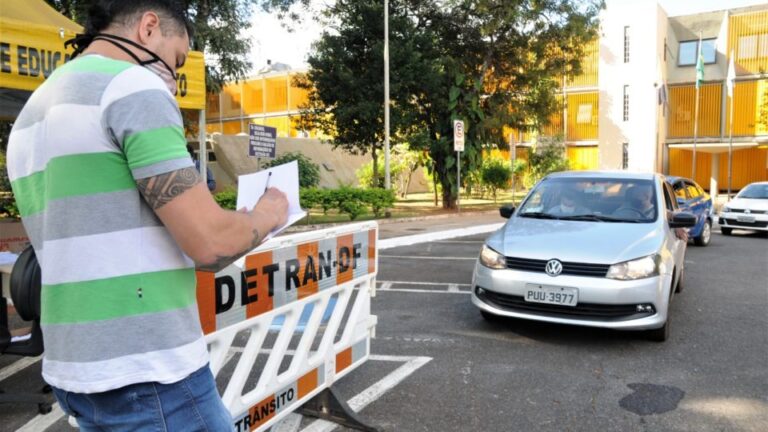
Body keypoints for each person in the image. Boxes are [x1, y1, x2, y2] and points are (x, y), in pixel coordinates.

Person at [6, 1, 288, 430]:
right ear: (149, 27)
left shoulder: (34, 110)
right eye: (176, 62)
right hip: (150, 371)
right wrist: (268, 213)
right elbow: (211, 244)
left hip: (75, 370)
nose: (173, 83)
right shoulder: (132, 86)